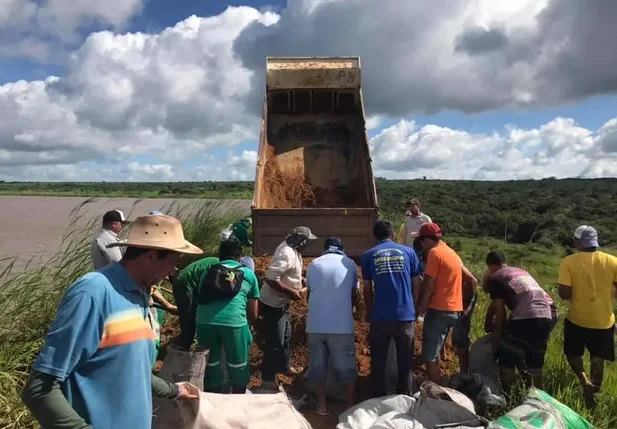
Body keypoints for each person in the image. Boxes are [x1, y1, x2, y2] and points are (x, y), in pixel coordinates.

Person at [21, 214, 202, 428]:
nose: (172, 271)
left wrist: (174, 390)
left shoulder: (139, 296)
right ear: (152, 256)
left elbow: (132, 368)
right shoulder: (93, 293)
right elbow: (39, 388)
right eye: (172, 262)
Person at [557, 226, 617, 408]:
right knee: (598, 358)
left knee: (573, 353)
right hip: (604, 320)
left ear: (578, 242)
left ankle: (584, 381)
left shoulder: (569, 262)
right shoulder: (613, 261)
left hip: (577, 319)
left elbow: (564, 293)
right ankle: (596, 391)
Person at [362, 220, 423, 397]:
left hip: (380, 317)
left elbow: (367, 289)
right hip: (405, 315)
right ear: (393, 234)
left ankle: (378, 399)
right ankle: (405, 398)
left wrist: (370, 311)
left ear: (375, 237)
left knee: (379, 361)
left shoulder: (368, 255)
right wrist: (415, 305)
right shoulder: (409, 252)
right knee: (405, 362)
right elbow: (416, 282)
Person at [485, 251, 556, 392]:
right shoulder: (520, 272)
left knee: (506, 361)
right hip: (547, 316)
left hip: (526, 318)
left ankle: (510, 397)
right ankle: (536, 399)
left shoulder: (496, 277)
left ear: (491, 266)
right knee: (534, 364)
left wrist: (497, 337)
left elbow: (500, 309)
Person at [196, 239, 260, 394]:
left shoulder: (207, 271)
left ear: (220, 256)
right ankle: (238, 394)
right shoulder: (248, 274)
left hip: (204, 322)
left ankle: (213, 395)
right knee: (238, 362)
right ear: (239, 257)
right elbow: (253, 310)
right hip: (234, 322)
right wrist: (251, 326)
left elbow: (201, 297)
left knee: (211, 360)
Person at [259, 226, 318, 390]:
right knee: (275, 340)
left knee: (286, 335)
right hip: (272, 304)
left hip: (281, 303)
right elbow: (271, 278)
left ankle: (284, 367)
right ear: (301, 241)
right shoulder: (286, 252)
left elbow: (290, 273)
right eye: (307, 242)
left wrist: (301, 281)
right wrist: (291, 291)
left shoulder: (293, 251)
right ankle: (268, 379)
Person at [306, 237, 359, 414]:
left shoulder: (314, 264)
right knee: (346, 366)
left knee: (318, 366)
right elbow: (354, 293)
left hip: (315, 324)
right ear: (341, 249)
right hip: (341, 325)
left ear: (325, 249)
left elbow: (310, 293)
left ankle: (321, 405)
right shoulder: (350, 264)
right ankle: (350, 405)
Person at [173, 247, 255, 350]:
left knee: (193, 317)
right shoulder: (221, 268)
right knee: (189, 323)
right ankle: (181, 352)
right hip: (186, 283)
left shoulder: (223, 265)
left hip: (188, 282)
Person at [416, 222, 464, 385]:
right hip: (454, 309)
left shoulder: (434, 254)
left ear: (427, 240)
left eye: (422, 241)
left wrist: (421, 307)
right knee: (436, 352)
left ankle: (435, 394)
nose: (422, 245)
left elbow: (429, 283)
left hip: (439, 309)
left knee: (429, 355)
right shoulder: (452, 253)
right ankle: (441, 384)